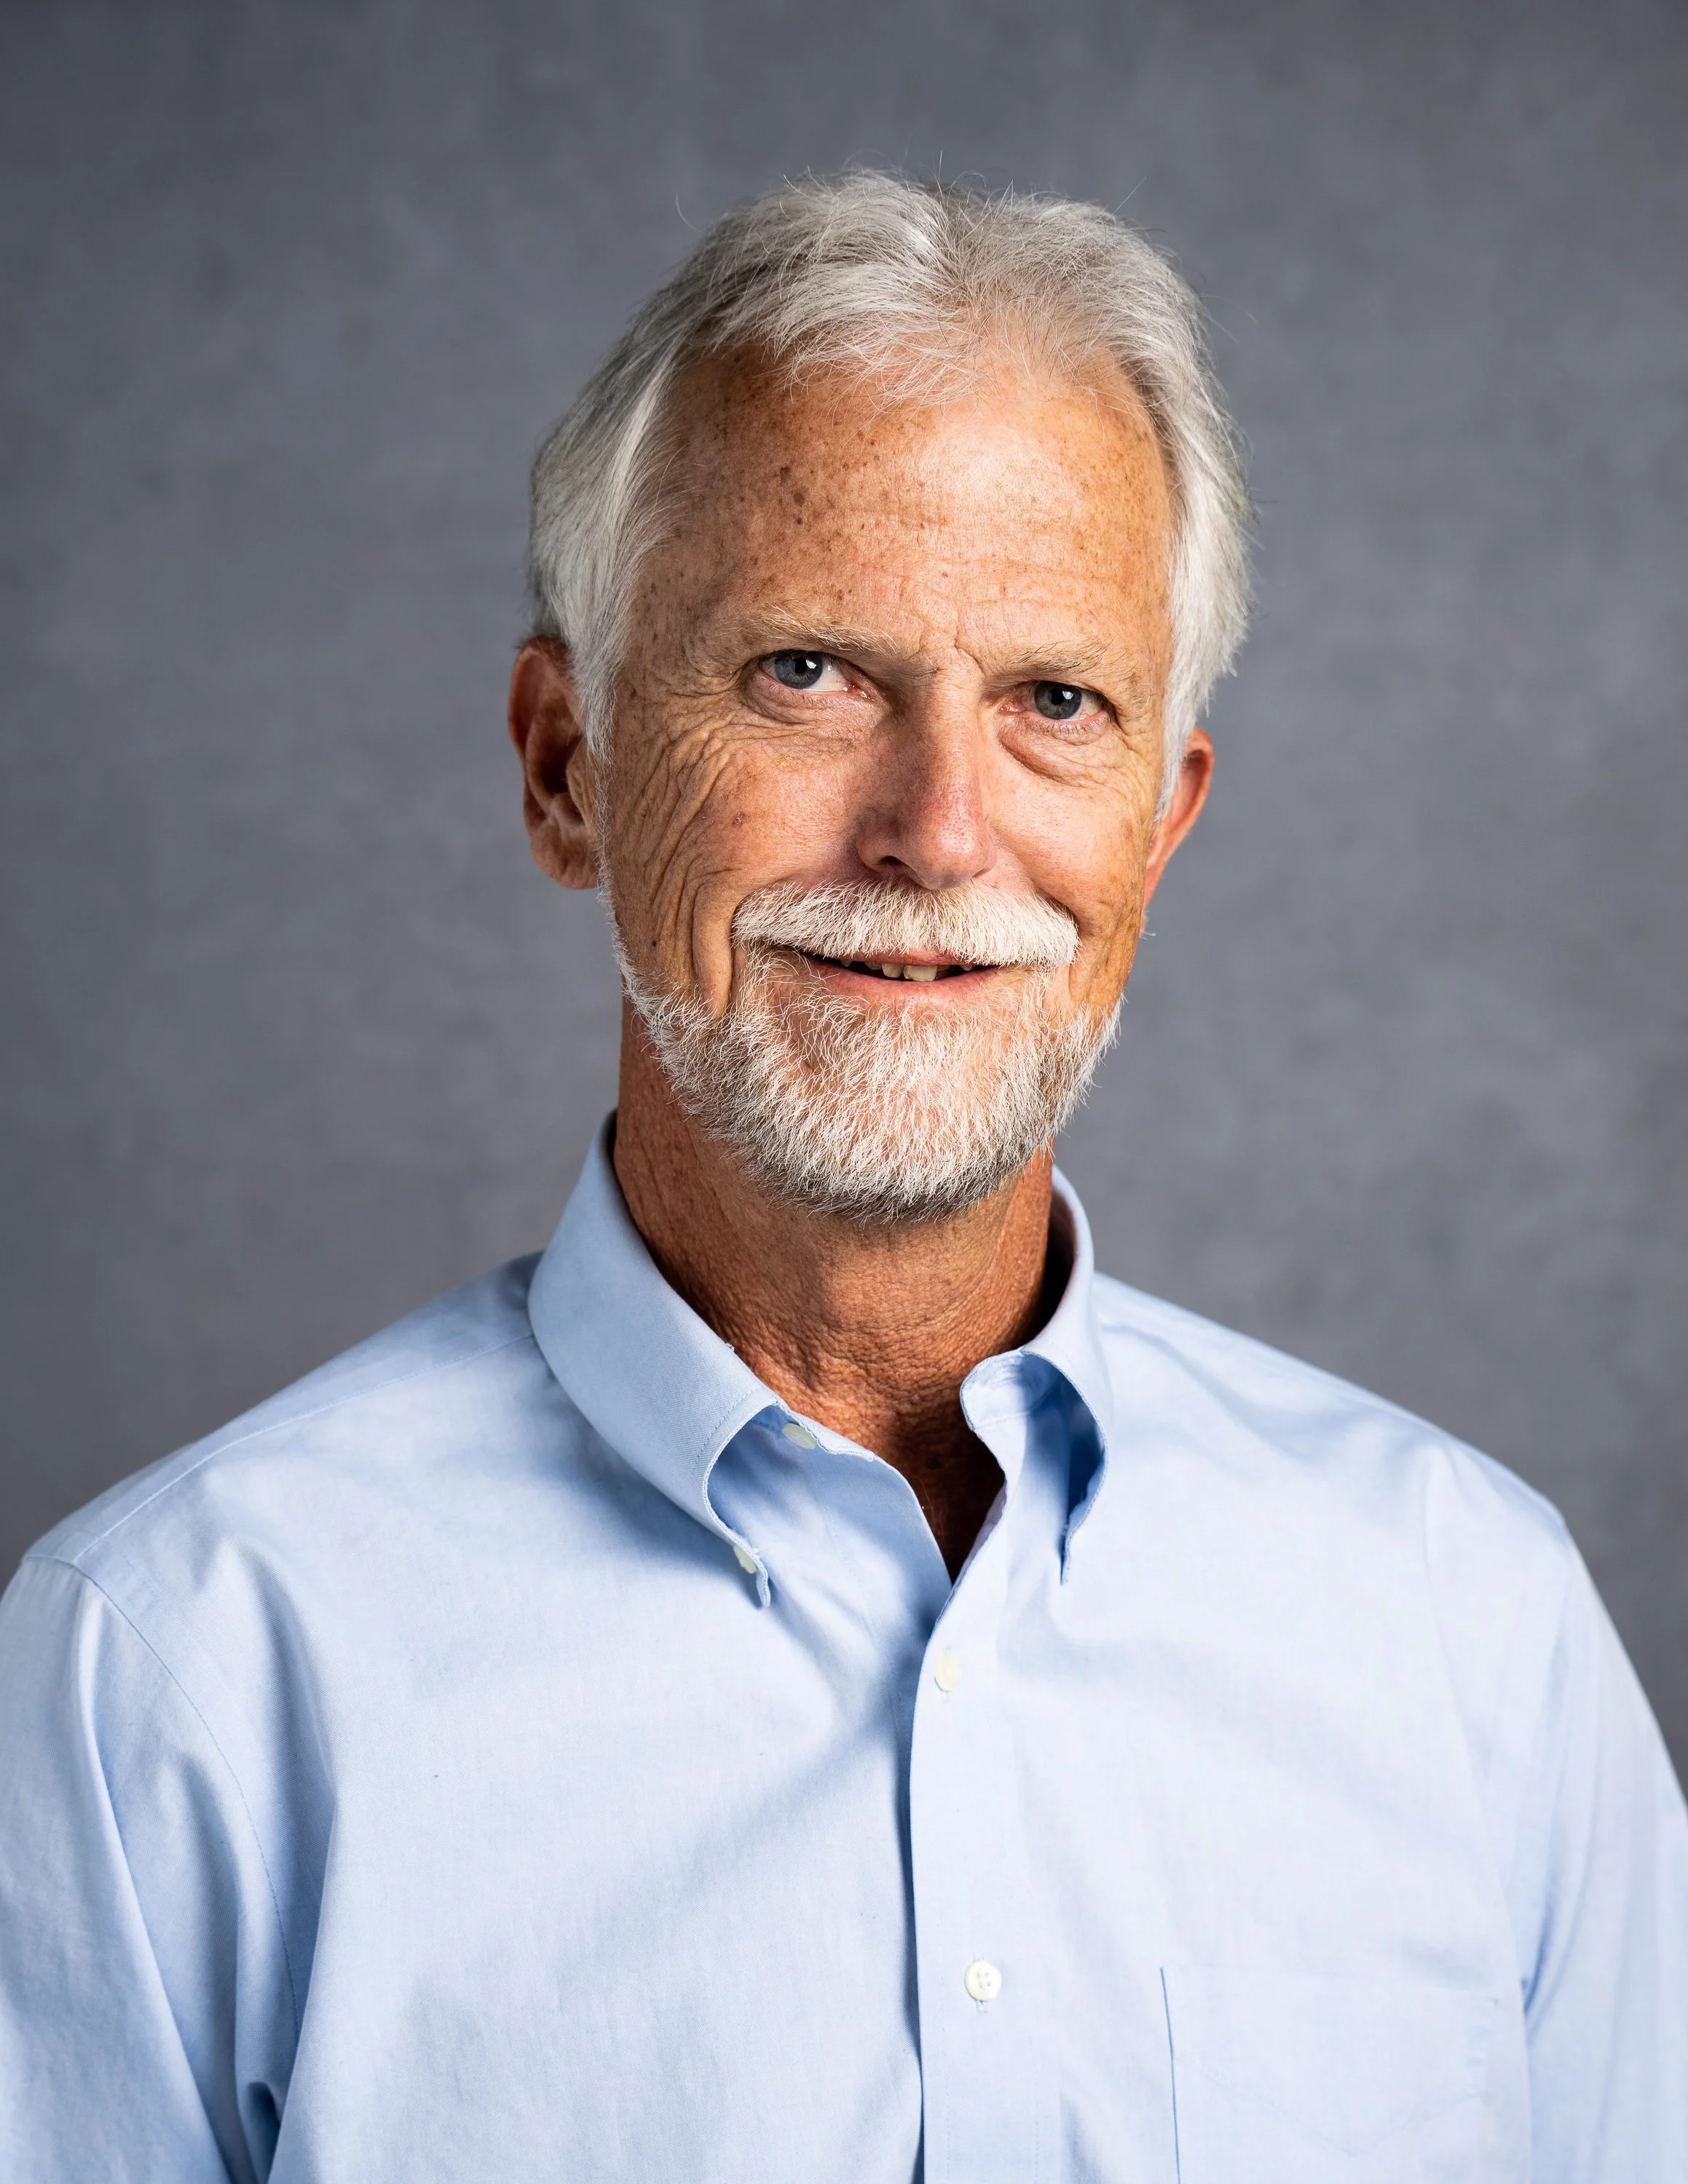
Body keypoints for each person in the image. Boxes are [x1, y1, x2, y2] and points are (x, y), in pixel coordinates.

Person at [1, 172, 1682, 2184]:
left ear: (1160, 822)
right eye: (807, 673)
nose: (937, 832)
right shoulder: (172, 1674)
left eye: (1054, 702)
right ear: (567, 769)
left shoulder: (1463, 1625)